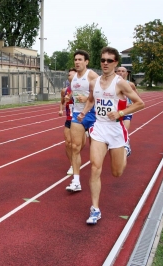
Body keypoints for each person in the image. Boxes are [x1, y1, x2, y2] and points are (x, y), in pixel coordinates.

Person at [78, 46, 145, 224]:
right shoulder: (94, 82)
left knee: (116, 172)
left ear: (115, 62)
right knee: (95, 167)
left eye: (109, 60)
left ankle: (125, 148)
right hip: (99, 127)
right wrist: (84, 112)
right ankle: (95, 209)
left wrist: (121, 114)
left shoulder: (121, 83)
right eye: (103, 60)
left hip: (116, 130)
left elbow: (139, 103)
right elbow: (92, 99)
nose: (105, 63)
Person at [66, 50, 99, 192]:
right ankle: (76, 181)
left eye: (80, 59)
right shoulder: (73, 79)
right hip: (78, 114)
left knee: (95, 149)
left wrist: (87, 99)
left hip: (93, 114)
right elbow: (74, 94)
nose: (77, 62)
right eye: (75, 59)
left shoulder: (91, 75)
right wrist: (70, 99)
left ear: (86, 62)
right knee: (75, 147)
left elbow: (101, 91)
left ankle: (95, 176)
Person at [59, 68, 77, 175]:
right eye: (70, 75)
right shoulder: (65, 90)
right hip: (70, 119)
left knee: (77, 146)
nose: (72, 77)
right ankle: (72, 165)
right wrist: (60, 109)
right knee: (68, 143)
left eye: (74, 75)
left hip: (83, 120)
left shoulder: (85, 89)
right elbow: (61, 101)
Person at [115, 67, 139, 132]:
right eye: (119, 71)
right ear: (116, 73)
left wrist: (132, 104)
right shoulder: (113, 83)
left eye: (123, 71)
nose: (120, 72)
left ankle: (125, 141)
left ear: (126, 73)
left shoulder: (131, 84)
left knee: (124, 131)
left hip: (127, 111)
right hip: (115, 110)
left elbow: (137, 98)